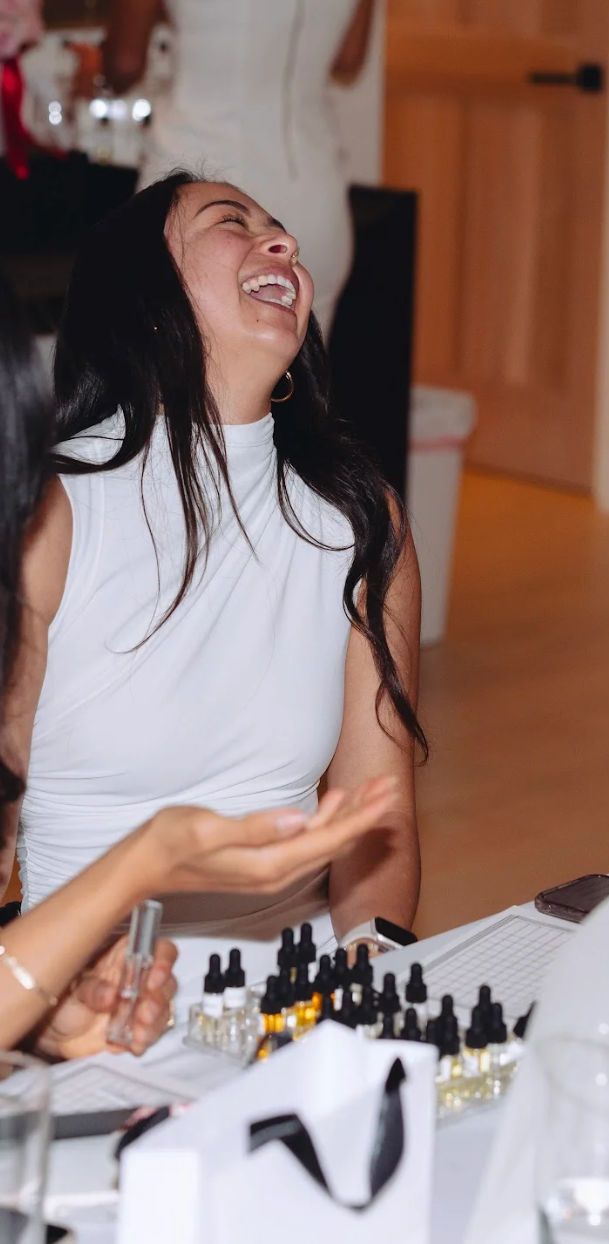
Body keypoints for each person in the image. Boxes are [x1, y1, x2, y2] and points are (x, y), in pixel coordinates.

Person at [2, 171, 423, 950]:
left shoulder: (361, 518)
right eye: (231, 221)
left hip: (291, 994)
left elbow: (379, 814)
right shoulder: (50, 511)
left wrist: (370, 973)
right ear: (145, 296)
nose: (285, 243)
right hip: (81, 1000)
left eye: (280, 228)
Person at [74, 0, 376, 332]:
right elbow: (349, 58)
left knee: (174, 367)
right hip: (313, 192)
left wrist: (94, 67)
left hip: (199, 196)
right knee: (302, 369)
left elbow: (124, 64)